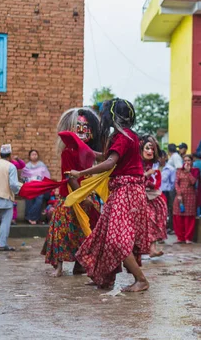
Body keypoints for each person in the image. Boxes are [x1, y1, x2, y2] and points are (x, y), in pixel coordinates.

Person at [71, 99, 151, 292]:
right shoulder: (126, 136)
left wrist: (80, 174)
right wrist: (85, 149)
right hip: (124, 190)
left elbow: (109, 163)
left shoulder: (123, 137)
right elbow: (106, 157)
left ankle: (141, 280)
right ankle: (104, 278)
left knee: (116, 238)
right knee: (105, 235)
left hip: (126, 191)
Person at [18, 108, 101, 276]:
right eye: (80, 126)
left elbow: (103, 162)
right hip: (71, 196)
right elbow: (70, 177)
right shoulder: (68, 152)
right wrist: (81, 197)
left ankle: (80, 265)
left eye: (86, 127)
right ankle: (59, 267)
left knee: (85, 232)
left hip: (88, 196)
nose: (83, 131)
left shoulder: (91, 153)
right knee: (61, 232)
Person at [140, 135, 167, 258]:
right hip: (140, 197)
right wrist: (146, 174)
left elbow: (154, 182)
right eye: (147, 148)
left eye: (152, 149)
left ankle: (152, 249)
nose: (150, 151)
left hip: (152, 196)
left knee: (155, 221)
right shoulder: (137, 163)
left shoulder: (153, 165)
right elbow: (136, 178)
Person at [173, 154, 200, 243]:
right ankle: (180, 237)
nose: (187, 162)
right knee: (178, 216)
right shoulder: (179, 171)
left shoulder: (195, 171)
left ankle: (188, 237)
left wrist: (188, 172)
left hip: (190, 196)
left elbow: (193, 182)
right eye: (185, 161)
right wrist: (179, 193)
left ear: (192, 162)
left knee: (189, 217)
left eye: (188, 160)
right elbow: (176, 183)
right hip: (180, 196)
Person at [21, 150, 51, 224]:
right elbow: (24, 177)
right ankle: (30, 218)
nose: (34, 156)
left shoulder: (41, 165)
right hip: (30, 186)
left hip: (39, 186)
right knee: (29, 202)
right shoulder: (27, 166)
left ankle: (32, 217)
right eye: (32, 154)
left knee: (39, 201)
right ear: (29, 156)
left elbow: (46, 175)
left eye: (35, 154)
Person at [160, 150, 176, 234]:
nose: (159, 159)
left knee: (168, 210)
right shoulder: (153, 167)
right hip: (156, 192)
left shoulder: (170, 169)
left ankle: (169, 227)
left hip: (167, 192)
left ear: (165, 157)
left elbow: (173, 182)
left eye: (161, 157)